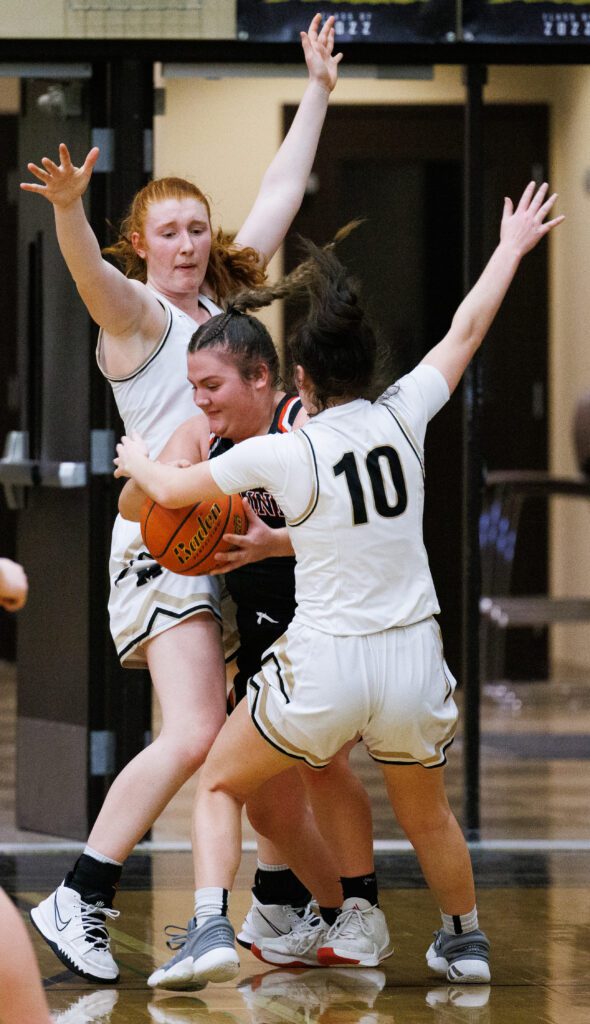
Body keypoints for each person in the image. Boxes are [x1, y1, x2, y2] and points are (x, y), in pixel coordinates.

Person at [113, 180, 563, 990]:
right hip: (413, 664)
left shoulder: (291, 448)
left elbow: (174, 496)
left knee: (218, 774)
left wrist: (135, 458)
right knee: (428, 813)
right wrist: (511, 249)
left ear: (296, 378)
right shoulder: (405, 412)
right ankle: (463, 941)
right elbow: (466, 330)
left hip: (327, 661)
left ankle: (214, 923)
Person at [20, 13, 342, 985]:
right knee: (201, 733)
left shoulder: (226, 314)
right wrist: (70, 210)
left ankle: (287, 904)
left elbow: (280, 197)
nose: (190, 242)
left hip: (225, 542)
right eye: (169, 230)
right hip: (162, 542)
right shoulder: (141, 315)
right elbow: (86, 277)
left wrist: (317, 89)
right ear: (142, 244)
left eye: (199, 227)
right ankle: (82, 891)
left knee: (255, 736)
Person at [118, 303, 387, 968]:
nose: (200, 400)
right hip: (267, 641)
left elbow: (365, 529)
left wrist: (275, 544)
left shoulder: (309, 427)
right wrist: (157, 474)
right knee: (269, 809)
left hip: (334, 629)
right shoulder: (206, 435)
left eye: (212, 386)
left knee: (309, 768)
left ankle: (292, 917)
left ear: (263, 378)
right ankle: (345, 920)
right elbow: (134, 506)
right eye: (194, 387)